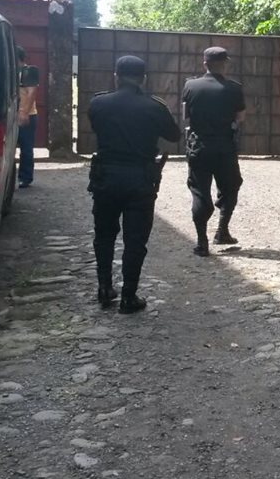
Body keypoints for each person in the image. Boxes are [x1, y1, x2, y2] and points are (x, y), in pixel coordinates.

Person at [87, 55, 180, 313]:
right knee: (135, 239)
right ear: (143, 78)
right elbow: (174, 135)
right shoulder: (155, 107)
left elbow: (96, 126)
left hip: (106, 177)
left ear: (116, 76)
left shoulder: (98, 103)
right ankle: (129, 296)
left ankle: (104, 287)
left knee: (104, 235)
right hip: (140, 178)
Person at [182, 46, 246, 256]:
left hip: (199, 148)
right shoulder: (234, 89)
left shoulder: (190, 86)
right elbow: (240, 117)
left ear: (205, 64)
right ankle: (222, 230)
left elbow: (185, 116)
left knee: (200, 193)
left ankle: (202, 242)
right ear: (225, 64)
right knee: (231, 187)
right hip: (225, 148)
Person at [16, 46, 40, 188]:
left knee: (26, 148)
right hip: (12, 114)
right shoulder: (11, 72)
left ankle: (25, 177)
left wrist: (24, 113)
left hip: (27, 114)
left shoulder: (29, 72)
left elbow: (32, 93)